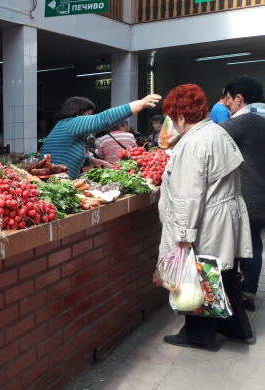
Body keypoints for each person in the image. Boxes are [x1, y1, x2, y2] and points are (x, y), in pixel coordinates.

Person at [159, 84, 254, 348]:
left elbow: (188, 196)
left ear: (179, 116)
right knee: (224, 274)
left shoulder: (193, 143)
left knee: (199, 277)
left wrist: (184, 236)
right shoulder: (215, 132)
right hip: (223, 214)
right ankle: (237, 329)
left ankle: (198, 336)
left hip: (206, 218)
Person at [219, 75, 265, 312]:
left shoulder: (248, 120)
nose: (226, 104)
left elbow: (211, 137)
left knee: (242, 246)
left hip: (250, 196)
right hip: (261, 196)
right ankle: (248, 290)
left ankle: (242, 293)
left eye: (228, 99)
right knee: (254, 242)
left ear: (239, 98)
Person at [40, 94, 161, 179]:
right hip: (55, 182)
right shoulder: (72, 123)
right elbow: (103, 119)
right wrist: (141, 103)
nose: (90, 119)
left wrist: (92, 160)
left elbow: (65, 157)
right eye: (88, 115)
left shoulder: (68, 127)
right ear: (77, 114)